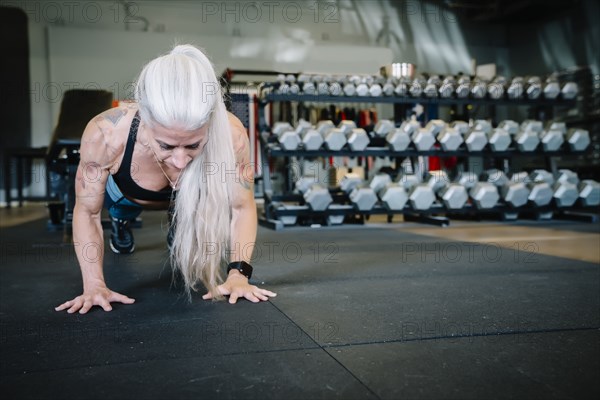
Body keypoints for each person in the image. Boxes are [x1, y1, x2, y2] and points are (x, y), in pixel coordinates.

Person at [55, 44, 276, 314]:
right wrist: (94, 285)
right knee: (120, 208)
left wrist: (238, 275)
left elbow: (242, 207)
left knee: (187, 214)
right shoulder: (106, 133)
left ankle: (179, 222)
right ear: (145, 123)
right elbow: (87, 212)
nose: (181, 161)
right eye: (167, 146)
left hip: (187, 198)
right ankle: (121, 222)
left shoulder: (231, 134)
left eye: (193, 145)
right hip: (126, 195)